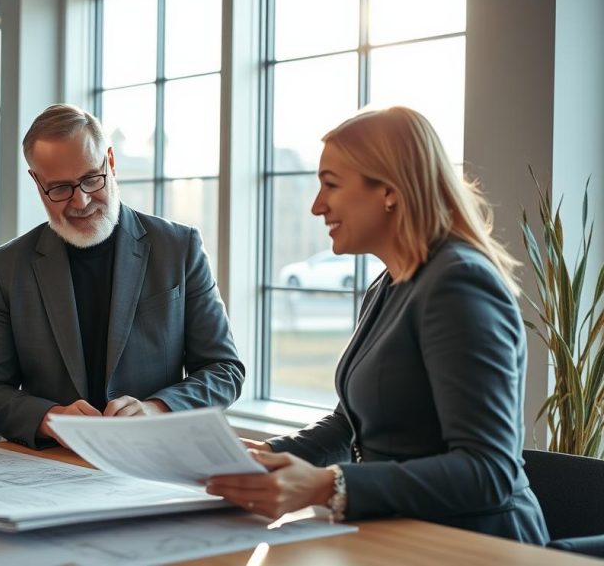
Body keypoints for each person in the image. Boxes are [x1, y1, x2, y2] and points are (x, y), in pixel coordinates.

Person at [205, 106, 548, 544]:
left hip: (478, 545)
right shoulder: (389, 282)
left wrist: (329, 485)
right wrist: (263, 455)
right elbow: (350, 425)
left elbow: (488, 470)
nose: (316, 205)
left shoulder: (458, 283)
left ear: (388, 190)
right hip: (401, 531)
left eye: (330, 184)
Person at [0, 104, 245, 448]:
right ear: (37, 182)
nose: (80, 201)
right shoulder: (7, 267)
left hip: (154, 457)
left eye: (90, 179)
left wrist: (157, 409)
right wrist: (51, 419)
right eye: (60, 188)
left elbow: (224, 371)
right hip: (51, 467)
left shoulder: (178, 247)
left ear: (110, 162)